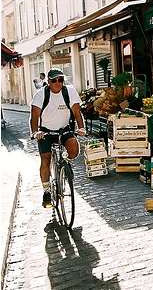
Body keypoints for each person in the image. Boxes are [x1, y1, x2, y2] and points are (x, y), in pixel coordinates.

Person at [30, 68, 86, 208]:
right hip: (46, 132)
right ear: (48, 82)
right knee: (46, 158)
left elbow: (77, 113)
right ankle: (47, 191)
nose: (57, 83)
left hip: (64, 130)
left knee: (74, 150)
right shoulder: (40, 95)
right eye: (54, 80)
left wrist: (81, 128)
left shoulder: (69, 91)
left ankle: (64, 164)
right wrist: (35, 132)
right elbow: (34, 117)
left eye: (60, 80)